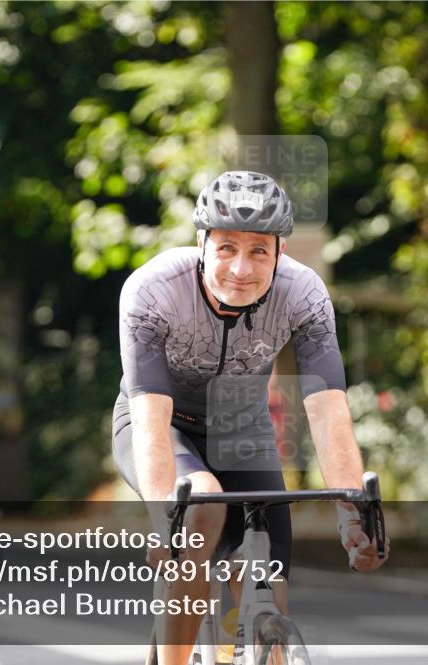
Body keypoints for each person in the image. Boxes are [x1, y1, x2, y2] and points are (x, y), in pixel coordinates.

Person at [112, 171, 390, 665]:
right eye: (226, 247)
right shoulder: (153, 290)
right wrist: (161, 520)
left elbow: (328, 408)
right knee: (202, 504)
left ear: (280, 251)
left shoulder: (303, 293)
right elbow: (151, 414)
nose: (241, 268)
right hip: (162, 424)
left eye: (259, 250)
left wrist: (351, 514)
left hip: (241, 426)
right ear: (202, 243)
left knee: (269, 584)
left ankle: (252, 642)